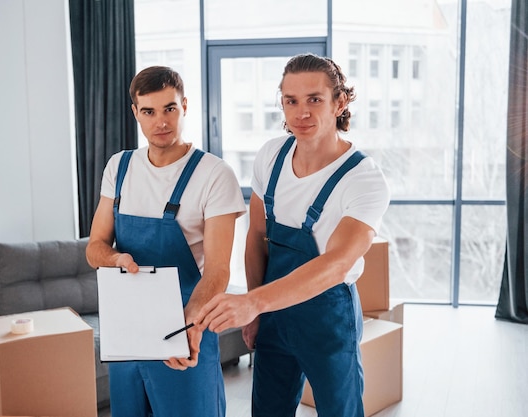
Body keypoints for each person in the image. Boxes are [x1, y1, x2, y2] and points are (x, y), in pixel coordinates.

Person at [195, 53, 390, 417]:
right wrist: (256, 311)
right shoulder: (271, 155)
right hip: (273, 315)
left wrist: (254, 303)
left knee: (340, 411)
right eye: (291, 101)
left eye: (314, 99)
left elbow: (335, 265)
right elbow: (256, 237)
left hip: (327, 320)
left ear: (340, 102)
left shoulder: (363, 179)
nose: (302, 113)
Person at [86, 66, 246, 417]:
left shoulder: (214, 175)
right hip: (126, 329)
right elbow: (94, 247)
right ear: (136, 113)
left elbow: (218, 270)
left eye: (169, 109)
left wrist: (188, 324)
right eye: (149, 112)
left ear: (184, 106)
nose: (161, 122)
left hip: (186, 325)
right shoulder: (120, 167)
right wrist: (115, 260)